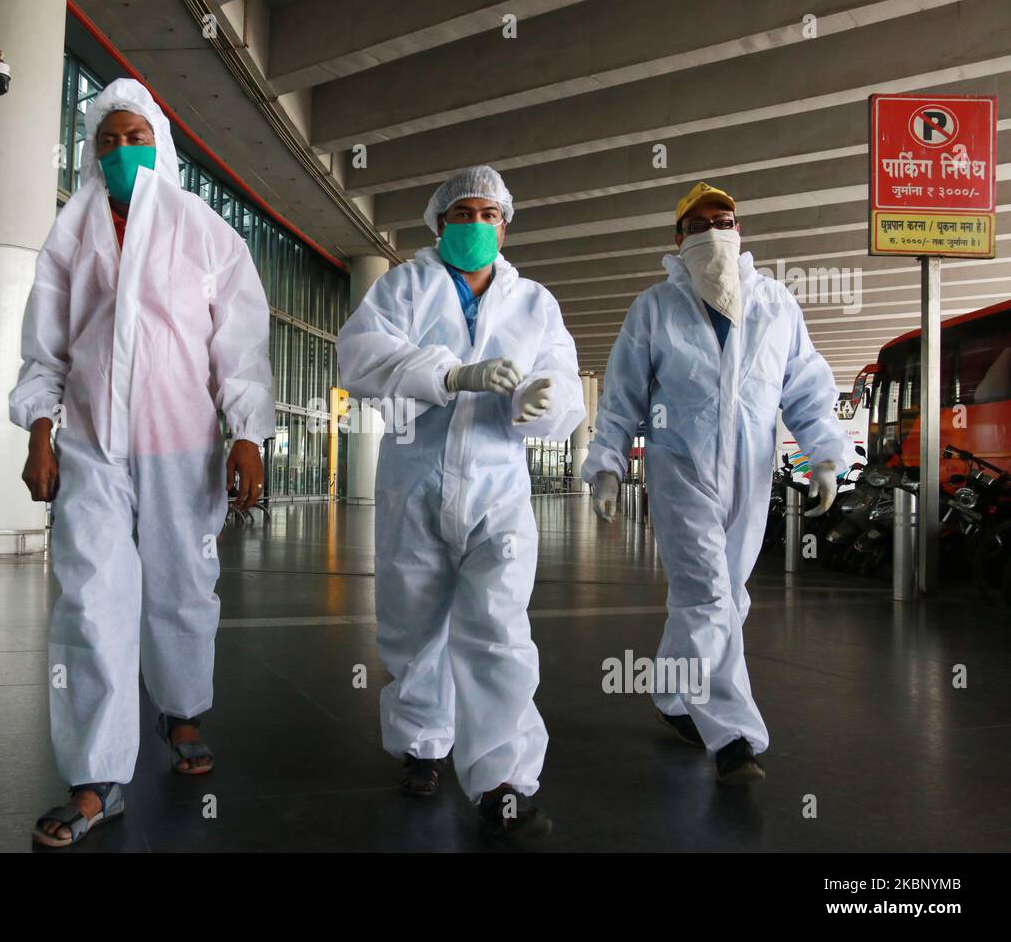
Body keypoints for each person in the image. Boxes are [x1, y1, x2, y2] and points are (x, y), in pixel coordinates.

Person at [12, 79, 274, 849]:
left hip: (181, 446)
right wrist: (38, 427)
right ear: (92, 153)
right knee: (90, 599)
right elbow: (45, 347)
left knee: (183, 589)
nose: (122, 150)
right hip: (92, 443)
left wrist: (248, 431)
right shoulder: (71, 233)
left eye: (135, 137)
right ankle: (95, 781)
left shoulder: (204, 231)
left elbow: (241, 344)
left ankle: (182, 709)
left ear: (160, 144)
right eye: (107, 140)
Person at [337, 165, 584, 842]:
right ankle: (422, 741)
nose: (474, 224)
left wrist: (545, 401)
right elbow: (358, 357)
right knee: (413, 624)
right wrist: (450, 374)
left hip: (499, 488)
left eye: (487, 214)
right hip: (414, 478)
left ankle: (501, 779)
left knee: (498, 630)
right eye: (461, 213)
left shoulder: (535, 303)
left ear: (506, 224)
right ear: (438, 223)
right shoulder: (405, 285)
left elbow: (564, 381)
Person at [581, 182, 852, 784]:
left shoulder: (776, 304)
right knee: (706, 593)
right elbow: (623, 393)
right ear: (678, 241)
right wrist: (607, 463)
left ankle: (675, 694)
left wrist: (825, 457)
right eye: (698, 224)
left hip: (751, 474)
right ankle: (732, 736)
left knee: (727, 592)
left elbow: (805, 388)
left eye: (722, 220)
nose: (712, 231)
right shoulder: (654, 308)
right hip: (678, 468)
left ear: (740, 230)